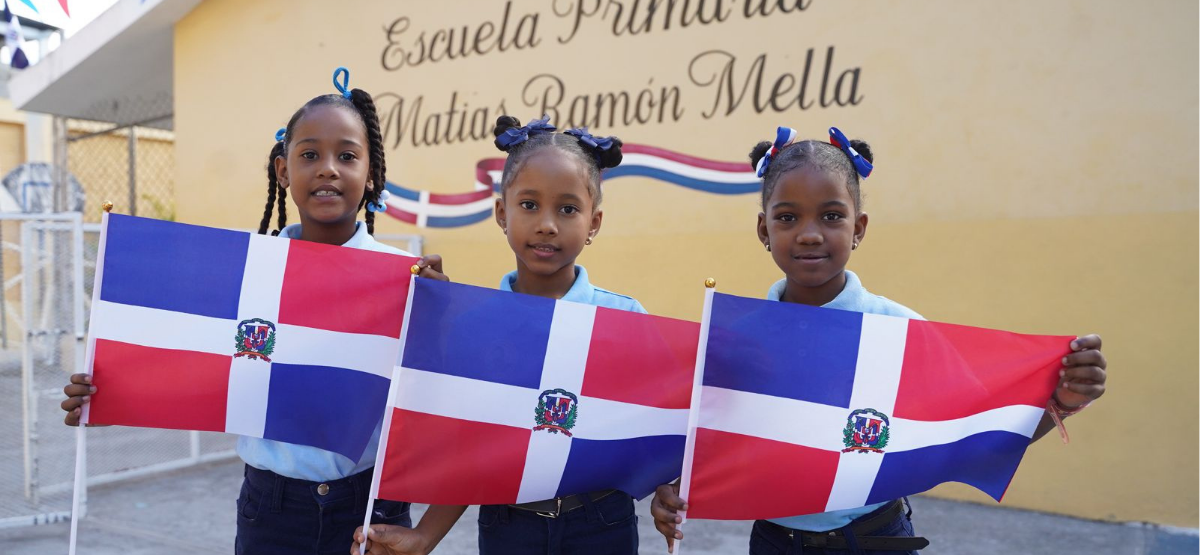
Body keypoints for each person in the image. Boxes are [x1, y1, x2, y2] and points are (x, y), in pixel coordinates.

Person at [649, 126, 1108, 555]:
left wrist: (1063, 401)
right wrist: (675, 488)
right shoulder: (737, 340)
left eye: (832, 216)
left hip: (875, 537)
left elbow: (979, 433)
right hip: (775, 541)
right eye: (787, 217)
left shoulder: (901, 331)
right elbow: (714, 441)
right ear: (764, 230)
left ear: (859, 228)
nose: (810, 234)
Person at [61, 67, 450, 555]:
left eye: (347, 156)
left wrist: (441, 319)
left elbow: (438, 398)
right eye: (309, 155)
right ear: (283, 171)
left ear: (371, 174)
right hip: (271, 509)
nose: (328, 168)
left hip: (371, 506)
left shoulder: (407, 280)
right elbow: (196, 365)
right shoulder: (248, 276)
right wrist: (112, 397)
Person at [351, 116, 644, 555]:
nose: (547, 224)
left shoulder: (626, 319)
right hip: (508, 524)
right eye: (529, 205)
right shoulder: (476, 325)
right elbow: (473, 448)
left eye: (568, 209)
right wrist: (425, 536)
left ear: (594, 222)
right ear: (502, 214)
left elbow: (660, 429)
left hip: (603, 523)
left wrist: (670, 488)